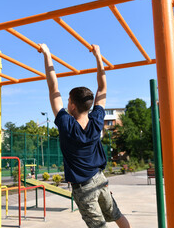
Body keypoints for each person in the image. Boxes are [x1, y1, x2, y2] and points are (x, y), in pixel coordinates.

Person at [39, 43, 131, 228]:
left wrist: (47, 54)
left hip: (84, 188)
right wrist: (98, 56)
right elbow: (102, 88)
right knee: (117, 215)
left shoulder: (67, 124)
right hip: (100, 179)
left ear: (72, 105)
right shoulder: (96, 121)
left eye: (68, 100)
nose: (65, 103)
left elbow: (52, 86)